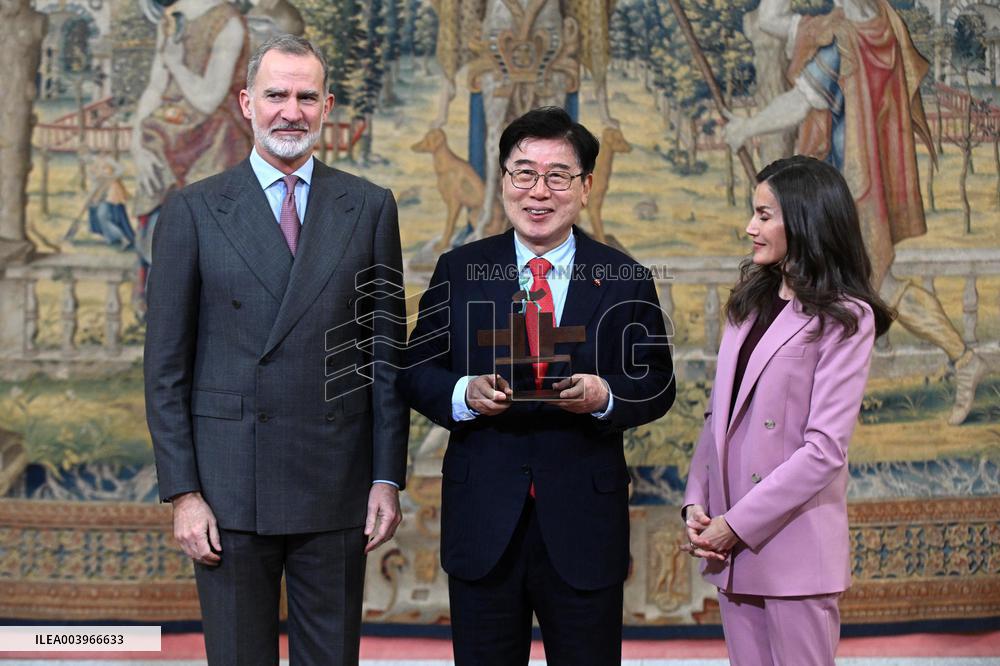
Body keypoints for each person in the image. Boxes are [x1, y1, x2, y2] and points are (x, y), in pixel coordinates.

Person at [144, 35, 408, 665]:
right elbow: (165, 370)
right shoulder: (193, 210)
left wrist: (386, 477)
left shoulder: (369, 206)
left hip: (336, 481)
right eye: (276, 95)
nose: (292, 111)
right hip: (228, 487)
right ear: (246, 103)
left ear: (327, 106)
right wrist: (183, 493)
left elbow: (386, 355)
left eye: (307, 97)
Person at [398, 106, 675, 665]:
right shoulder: (460, 270)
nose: (538, 191)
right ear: (503, 181)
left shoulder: (624, 278)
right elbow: (415, 370)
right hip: (483, 520)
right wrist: (464, 394)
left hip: (583, 521)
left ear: (586, 187)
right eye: (523, 173)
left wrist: (606, 397)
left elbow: (657, 382)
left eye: (558, 176)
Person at [724, 0, 988, 425]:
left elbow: (800, 101)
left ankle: (963, 358)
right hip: (858, 190)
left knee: (872, 289)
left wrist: (745, 127)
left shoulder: (845, 40)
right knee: (870, 288)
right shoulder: (880, 23)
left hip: (852, 195)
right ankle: (962, 359)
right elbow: (774, 22)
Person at [682, 155, 894, 666]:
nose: (749, 227)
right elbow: (718, 416)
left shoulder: (846, 316)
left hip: (791, 548)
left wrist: (735, 525)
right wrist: (695, 504)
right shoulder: (748, 301)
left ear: (804, 221)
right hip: (731, 548)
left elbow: (824, 451)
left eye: (763, 215)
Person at [131, 0, 254, 312]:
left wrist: (175, 63)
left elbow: (208, 99)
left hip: (215, 140)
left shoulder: (228, 22)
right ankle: (163, 307)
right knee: (158, 219)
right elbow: (154, 88)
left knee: (210, 236)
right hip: (168, 133)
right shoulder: (171, 19)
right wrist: (137, 144)